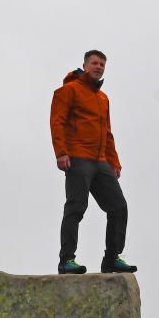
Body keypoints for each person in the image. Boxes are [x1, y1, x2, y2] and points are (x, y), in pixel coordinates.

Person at [49, 50, 137, 274]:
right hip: (78, 157)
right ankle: (67, 260)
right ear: (85, 65)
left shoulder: (103, 98)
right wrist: (61, 152)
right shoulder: (68, 91)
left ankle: (112, 259)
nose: (99, 67)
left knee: (119, 207)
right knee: (76, 207)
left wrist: (114, 161)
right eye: (95, 63)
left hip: (101, 161)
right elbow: (57, 122)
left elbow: (107, 132)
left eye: (102, 64)